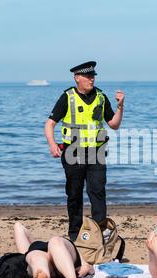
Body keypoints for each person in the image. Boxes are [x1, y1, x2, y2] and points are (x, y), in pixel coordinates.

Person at [44, 61, 125, 241]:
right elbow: (50, 124)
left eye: (93, 76)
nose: (91, 79)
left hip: (96, 152)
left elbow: (114, 124)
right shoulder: (67, 97)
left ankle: (99, 233)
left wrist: (120, 107)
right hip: (73, 152)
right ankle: (75, 234)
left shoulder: (101, 97)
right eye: (88, 76)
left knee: (97, 191)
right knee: (74, 194)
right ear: (77, 78)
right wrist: (52, 144)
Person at [13, 222, 94, 278]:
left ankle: (43, 274)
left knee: (35, 258)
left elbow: (18, 227)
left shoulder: (32, 249)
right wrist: (85, 265)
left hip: (40, 253)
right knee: (55, 242)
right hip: (63, 259)